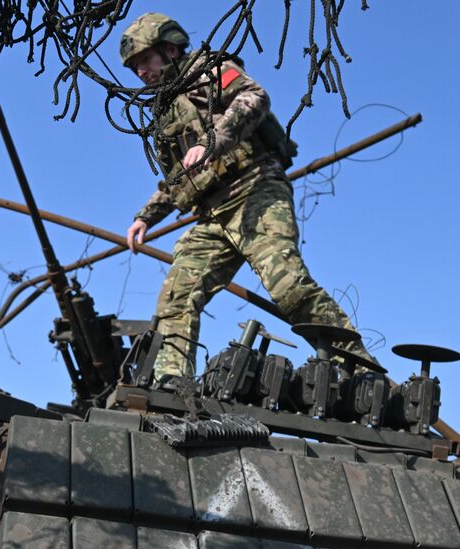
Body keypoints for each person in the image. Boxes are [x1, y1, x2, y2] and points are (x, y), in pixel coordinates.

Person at [120, 12, 379, 380]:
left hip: (255, 190)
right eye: (134, 68)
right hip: (213, 216)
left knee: (288, 285)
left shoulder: (205, 70)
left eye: (144, 60)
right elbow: (180, 177)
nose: (141, 73)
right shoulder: (165, 109)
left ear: (170, 48)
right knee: (176, 298)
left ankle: (360, 369)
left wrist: (214, 140)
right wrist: (146, 216)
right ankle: (170, 382)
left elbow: (254, 97)